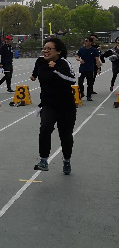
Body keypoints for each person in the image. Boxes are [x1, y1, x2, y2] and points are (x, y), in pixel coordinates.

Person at [30, 38, 76, 174]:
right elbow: (36, 70)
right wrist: (33, 75)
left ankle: (66, 160)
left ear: (58, 51)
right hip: (48, 104)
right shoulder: (40, 61)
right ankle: (43, 160)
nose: (45, 51)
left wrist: (55, 68)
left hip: (65, 106)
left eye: (49, 49)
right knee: (45, 128)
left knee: (65, 136)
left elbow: (72, 79)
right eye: (44, 48)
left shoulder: (63, 63)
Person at [75, 36, 100, 101]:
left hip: (90, 69)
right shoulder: (81, 49)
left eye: (87, 41)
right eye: (85, 41)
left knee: (90, 83)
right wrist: (80, 59)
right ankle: (81, 92)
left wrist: (98, 68)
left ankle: (89, 96)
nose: (85, 42)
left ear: (90, 42)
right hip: (82, 69)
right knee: (80, 82)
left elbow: (97, 60)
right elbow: (77, 57)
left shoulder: (94, 50)